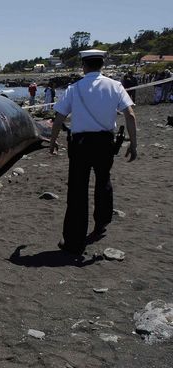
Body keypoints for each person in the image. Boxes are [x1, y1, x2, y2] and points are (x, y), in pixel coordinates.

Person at [49, 49, 137, 256]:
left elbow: (59, 117)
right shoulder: (115, 86)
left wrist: (52, 141)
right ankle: (102, 223)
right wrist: (133, 144)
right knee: (103, 181)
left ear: (84, 65)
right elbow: (130, 115)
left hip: (80, 144)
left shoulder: (74, 88)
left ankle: (74, 240)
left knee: (77, 190)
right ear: (102, 64)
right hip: (105, 142)